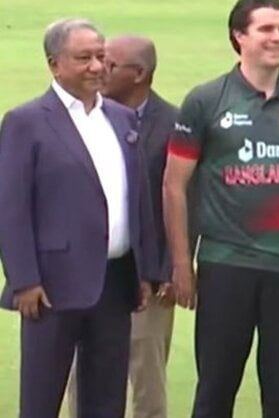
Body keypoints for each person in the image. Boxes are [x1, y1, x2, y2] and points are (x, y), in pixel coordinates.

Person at [163, 0, 279, 417]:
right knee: (216, 387)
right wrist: (182, 262)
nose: (278, 37)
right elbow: (174, 184)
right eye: (266, 29)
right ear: (238, 36)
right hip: (225, 263)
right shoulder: (207, 100)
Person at [0, 18, 159, 418]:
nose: (96, 66)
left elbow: (137, 198)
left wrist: (143, 270)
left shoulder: (122, 119)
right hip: (52, 286)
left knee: (106, 400)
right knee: (42, 399)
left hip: (115, 281)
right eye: (83, 58)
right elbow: (11, 207)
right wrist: (24, 280)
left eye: (101, 57)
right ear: (55, 64)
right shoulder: (26, 122)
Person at [63, 35, 191, 418]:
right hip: (90, 271)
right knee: (83, 369)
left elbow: (185, 199)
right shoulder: (89, 118)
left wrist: (171, 267)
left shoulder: (174, 125)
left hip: (150, 275)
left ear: (139, 74)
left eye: (110, 64)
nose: (100, 69)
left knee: (146, 371)